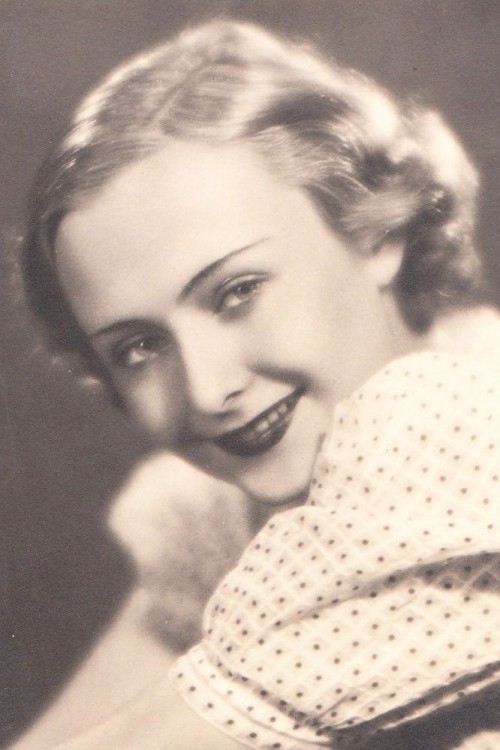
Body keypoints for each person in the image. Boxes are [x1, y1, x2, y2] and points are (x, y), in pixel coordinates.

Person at [11, 18, 500, 750]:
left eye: (236, 292)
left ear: (375, 231)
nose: (208, 389)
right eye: (139, 346)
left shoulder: (456, 428)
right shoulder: (218, 515)